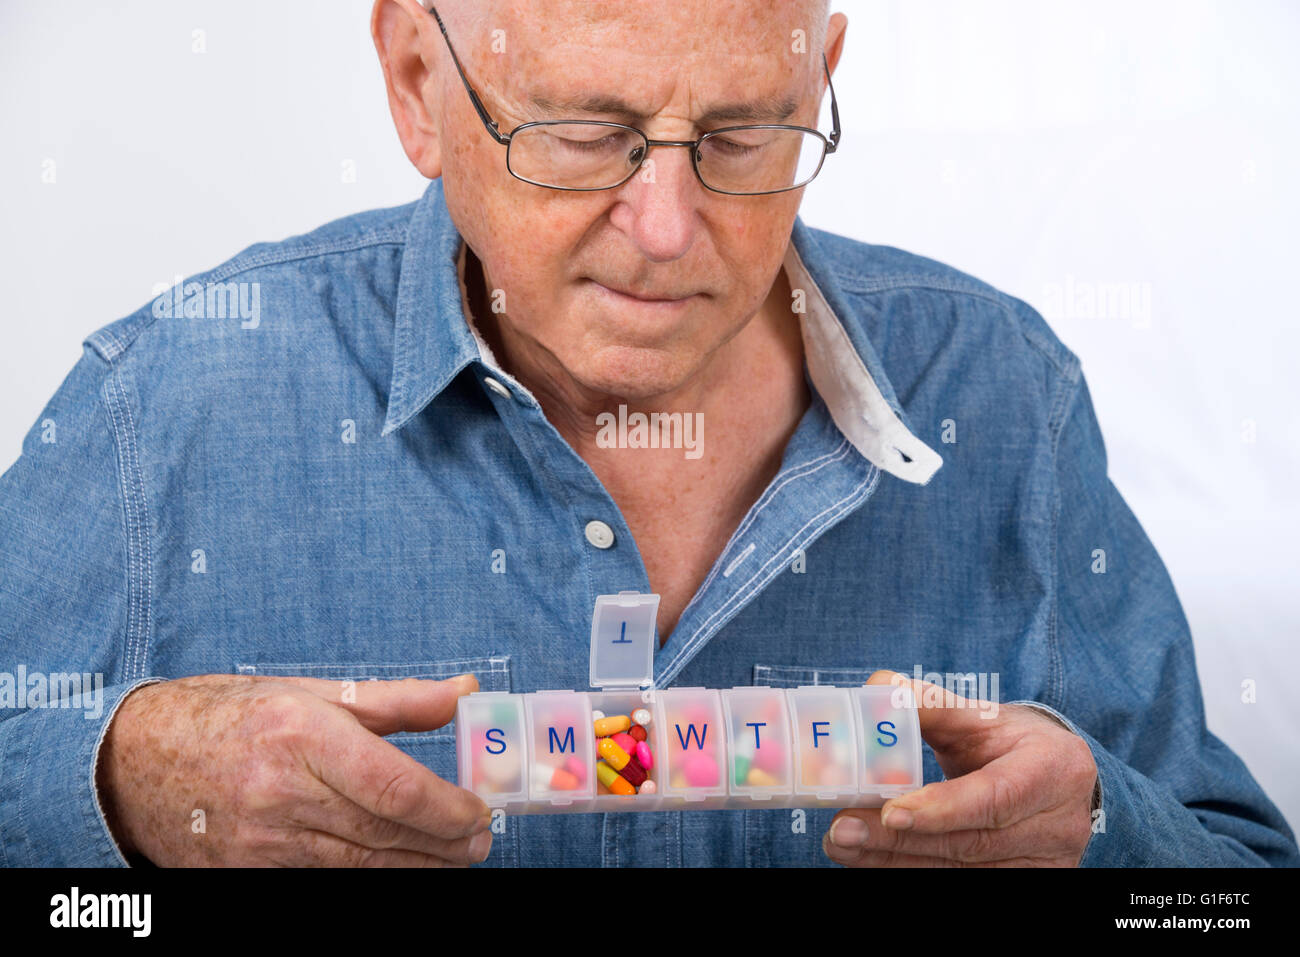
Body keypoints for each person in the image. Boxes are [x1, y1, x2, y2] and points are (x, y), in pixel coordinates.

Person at [0, 0, 1294, 867]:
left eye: (742, 133)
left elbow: (1235, 876)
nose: (670, 228)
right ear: (414, 84)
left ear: (820, 76)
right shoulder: (161, 403)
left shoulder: (1004, 392)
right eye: (583, 135)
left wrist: (1099, 829)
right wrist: (119, 785)